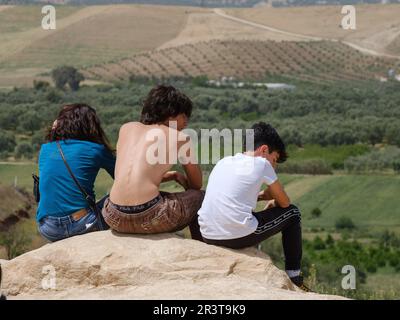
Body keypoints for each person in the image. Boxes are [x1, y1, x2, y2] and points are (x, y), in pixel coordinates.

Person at [198, 122, 310, 291]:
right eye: (275, 159)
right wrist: (274, 201)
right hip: (233, 236)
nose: (274, 165)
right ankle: (294, 276)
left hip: (207, 235)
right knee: (293, 213)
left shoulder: (223, 161)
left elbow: (234, 196)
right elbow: (285, 203)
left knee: (250, 217)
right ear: (264, 150)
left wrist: (262, 197)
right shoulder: (261, 164)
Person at [102, 85, 204, 240]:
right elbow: (196, 185)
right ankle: (202, 246)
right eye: (184, 116)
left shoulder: (126, 128)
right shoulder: (180, 138)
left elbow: (129, 177)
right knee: (200, 196)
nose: (186, 123)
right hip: (150, 217)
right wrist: (182, 177)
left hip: (113, 216)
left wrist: (170, 176)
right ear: (171, 114)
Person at [36, 103, 116, 242]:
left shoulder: (45, 149)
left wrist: (54, 129)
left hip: (49, 229)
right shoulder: (95, 149)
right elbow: (124, 178)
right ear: (90, 125)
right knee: (119, 196)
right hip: (83, 225)